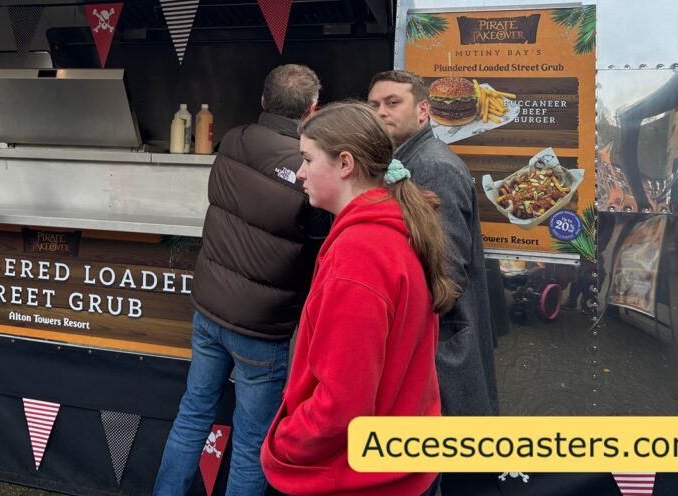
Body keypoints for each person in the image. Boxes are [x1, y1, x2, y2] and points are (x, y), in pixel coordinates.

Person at [261, 102, 456, 496]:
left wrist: (284, 442)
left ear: (345, 163)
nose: (299, 172)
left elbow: (341, 404)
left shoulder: (359, 255)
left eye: (307, 158)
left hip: (357, 480)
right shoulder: (395, 228)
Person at [154, 64, 331, 496]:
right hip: (262, 327)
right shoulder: (311, 167)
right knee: (252, 442)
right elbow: (316, 244)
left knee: (193, 414)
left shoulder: (232, 139)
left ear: (264, 101)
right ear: (312, 110)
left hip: (210, 309)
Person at [367, 70, 499, 417]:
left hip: (442, 354)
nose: (381, 112)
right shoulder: (405, 161)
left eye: (393, 103)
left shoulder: (433, 166)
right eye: (374, 105)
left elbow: (445, 276)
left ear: (423, 111)